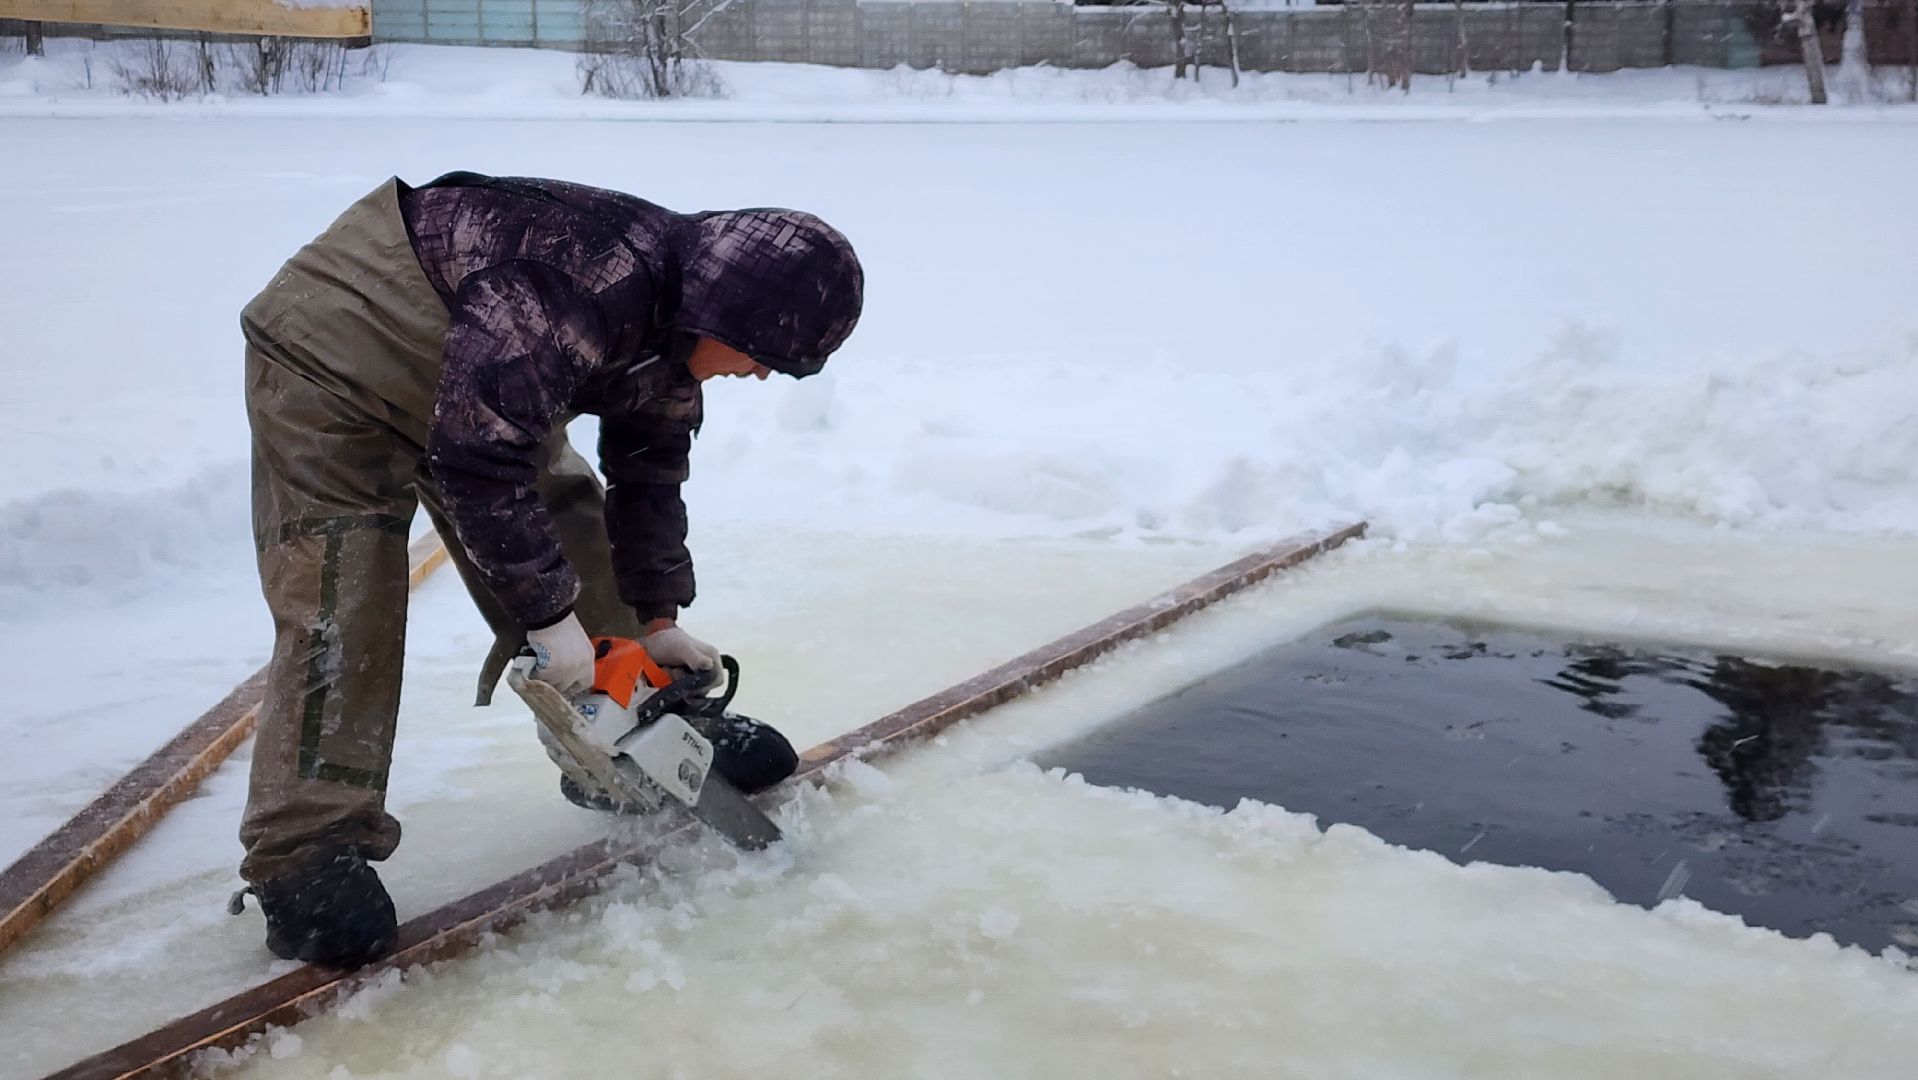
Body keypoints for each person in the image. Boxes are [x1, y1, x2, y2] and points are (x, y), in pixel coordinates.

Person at [228, 172, 864, 967]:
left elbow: (649, 470)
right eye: (764, 355)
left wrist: (658, 620)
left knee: (568, 523)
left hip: (484, 373)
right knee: (345, 592)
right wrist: (545, 617)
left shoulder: (675, 320)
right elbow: (478, 459)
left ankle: (627, 743)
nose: (762, 375)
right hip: (338, 352)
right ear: (725, 314)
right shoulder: (581, 284)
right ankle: (305, 851)